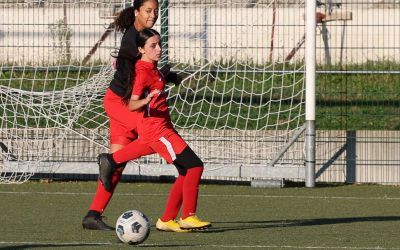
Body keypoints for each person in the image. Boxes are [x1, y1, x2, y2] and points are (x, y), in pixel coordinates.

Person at [97, 28, 211, 232]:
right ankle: (188, 216)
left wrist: (170, 78)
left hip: (163, 126)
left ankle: (167, 219)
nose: (158, 49)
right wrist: (146, 100)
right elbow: (132, 105)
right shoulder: (142, 71)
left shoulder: (152, 67)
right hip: (157, 129)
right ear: (141, 49)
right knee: (194, 166)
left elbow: (156, 80)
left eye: (159, 44)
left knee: (185, 170)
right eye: (153, 46)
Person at [82, 0, 163, 231]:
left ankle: (92, 215)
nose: (153, 15)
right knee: (153, 136)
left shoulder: (142, 35)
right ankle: (172, 217)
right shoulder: (132, 40)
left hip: (123, 103)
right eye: (148, 11)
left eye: (156, 11)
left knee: (117, 166)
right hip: (121, 104)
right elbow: (136, 70)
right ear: (137, 12)